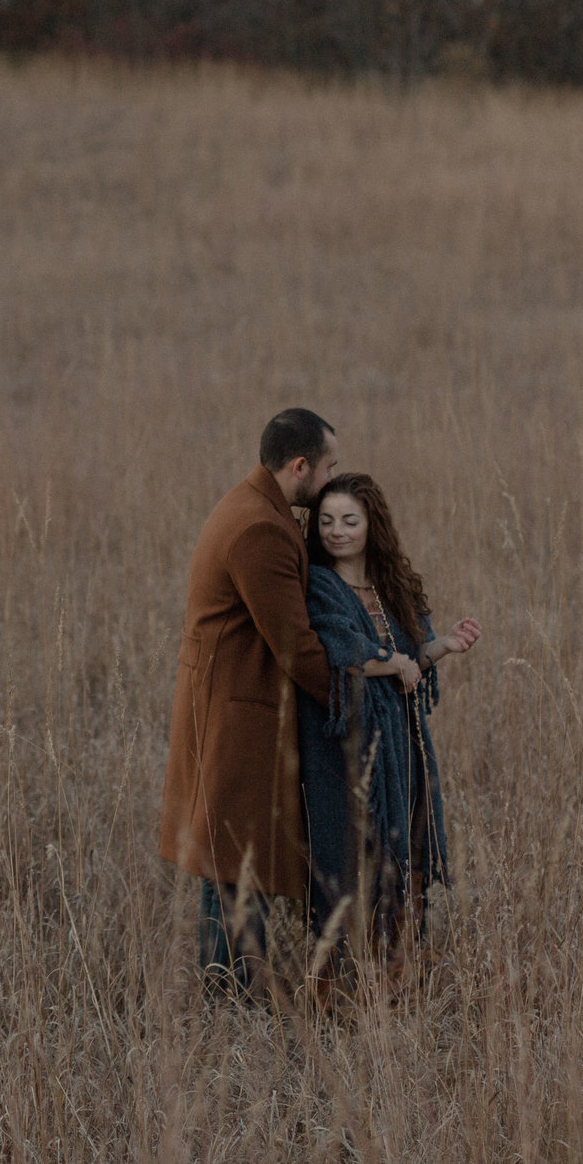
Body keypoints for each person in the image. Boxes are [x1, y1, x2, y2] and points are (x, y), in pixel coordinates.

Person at [158, 408, 363, 999]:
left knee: (233, 855)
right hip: (238, 716)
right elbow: (296, 648)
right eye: (328, 468)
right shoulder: (262, 531)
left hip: (229, 705)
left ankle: (231, 987)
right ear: (299, 467)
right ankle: (229, 995)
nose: (331, 481)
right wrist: (363, 694)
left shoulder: (255, 506)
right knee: (236, 860)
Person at [298, 471, 483, 980]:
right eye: (328, 521)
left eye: (349, 521)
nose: (336, 531)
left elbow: (413, 660)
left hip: (401, 741)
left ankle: (397, 966)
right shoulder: (320, 583)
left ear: (370, 525)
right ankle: (338, 978)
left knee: (403, 844)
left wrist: (441, 646)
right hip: (345, 743)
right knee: (348, 853)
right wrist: (391, 660)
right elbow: (336, 644)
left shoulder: (390, 585)